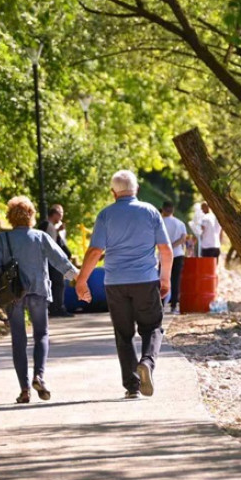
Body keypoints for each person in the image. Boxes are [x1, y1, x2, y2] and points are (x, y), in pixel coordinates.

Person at [75, 170, 172, 399]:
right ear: (136, 189)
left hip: (115, 283)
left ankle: (132, 386)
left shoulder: (105, 215)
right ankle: (147, 362)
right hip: (145, 280)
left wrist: (81, 280)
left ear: (113, 192)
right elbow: (166, 250)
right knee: (152, 327)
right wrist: (165, 278)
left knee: (123, 333)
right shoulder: (150, 212)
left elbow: (95, 251)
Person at [0, 196, 78, 404]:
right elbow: (59, 260)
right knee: (41, 334)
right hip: (38, 290)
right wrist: (79, 279)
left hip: (12, 295)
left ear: (10, 216)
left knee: (18, 339)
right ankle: (39, 376)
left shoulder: (2, 239)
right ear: (31, 216)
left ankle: (24, 390)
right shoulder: (40, 236)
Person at [37, 204, 74, 318]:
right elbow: (48, 243)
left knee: (57, 284)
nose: (62, 216)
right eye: (61, 214)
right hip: (51, 260)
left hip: (53, 259)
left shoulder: (53, 227)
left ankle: (56, 307)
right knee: (57, 283)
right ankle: (57, 308)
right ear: (55, 214)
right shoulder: (47, 225)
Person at [161, 201, 187, 314]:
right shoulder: (180, 223)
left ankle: (161, 304)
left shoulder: (159, 222)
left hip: (163, 255)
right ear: (173, 210)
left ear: (163, 210)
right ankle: (174, 306)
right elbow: (183, 238)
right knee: (176, 280)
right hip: (178, 254)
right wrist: (173, 246)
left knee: (163, 280)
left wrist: (167, 247)